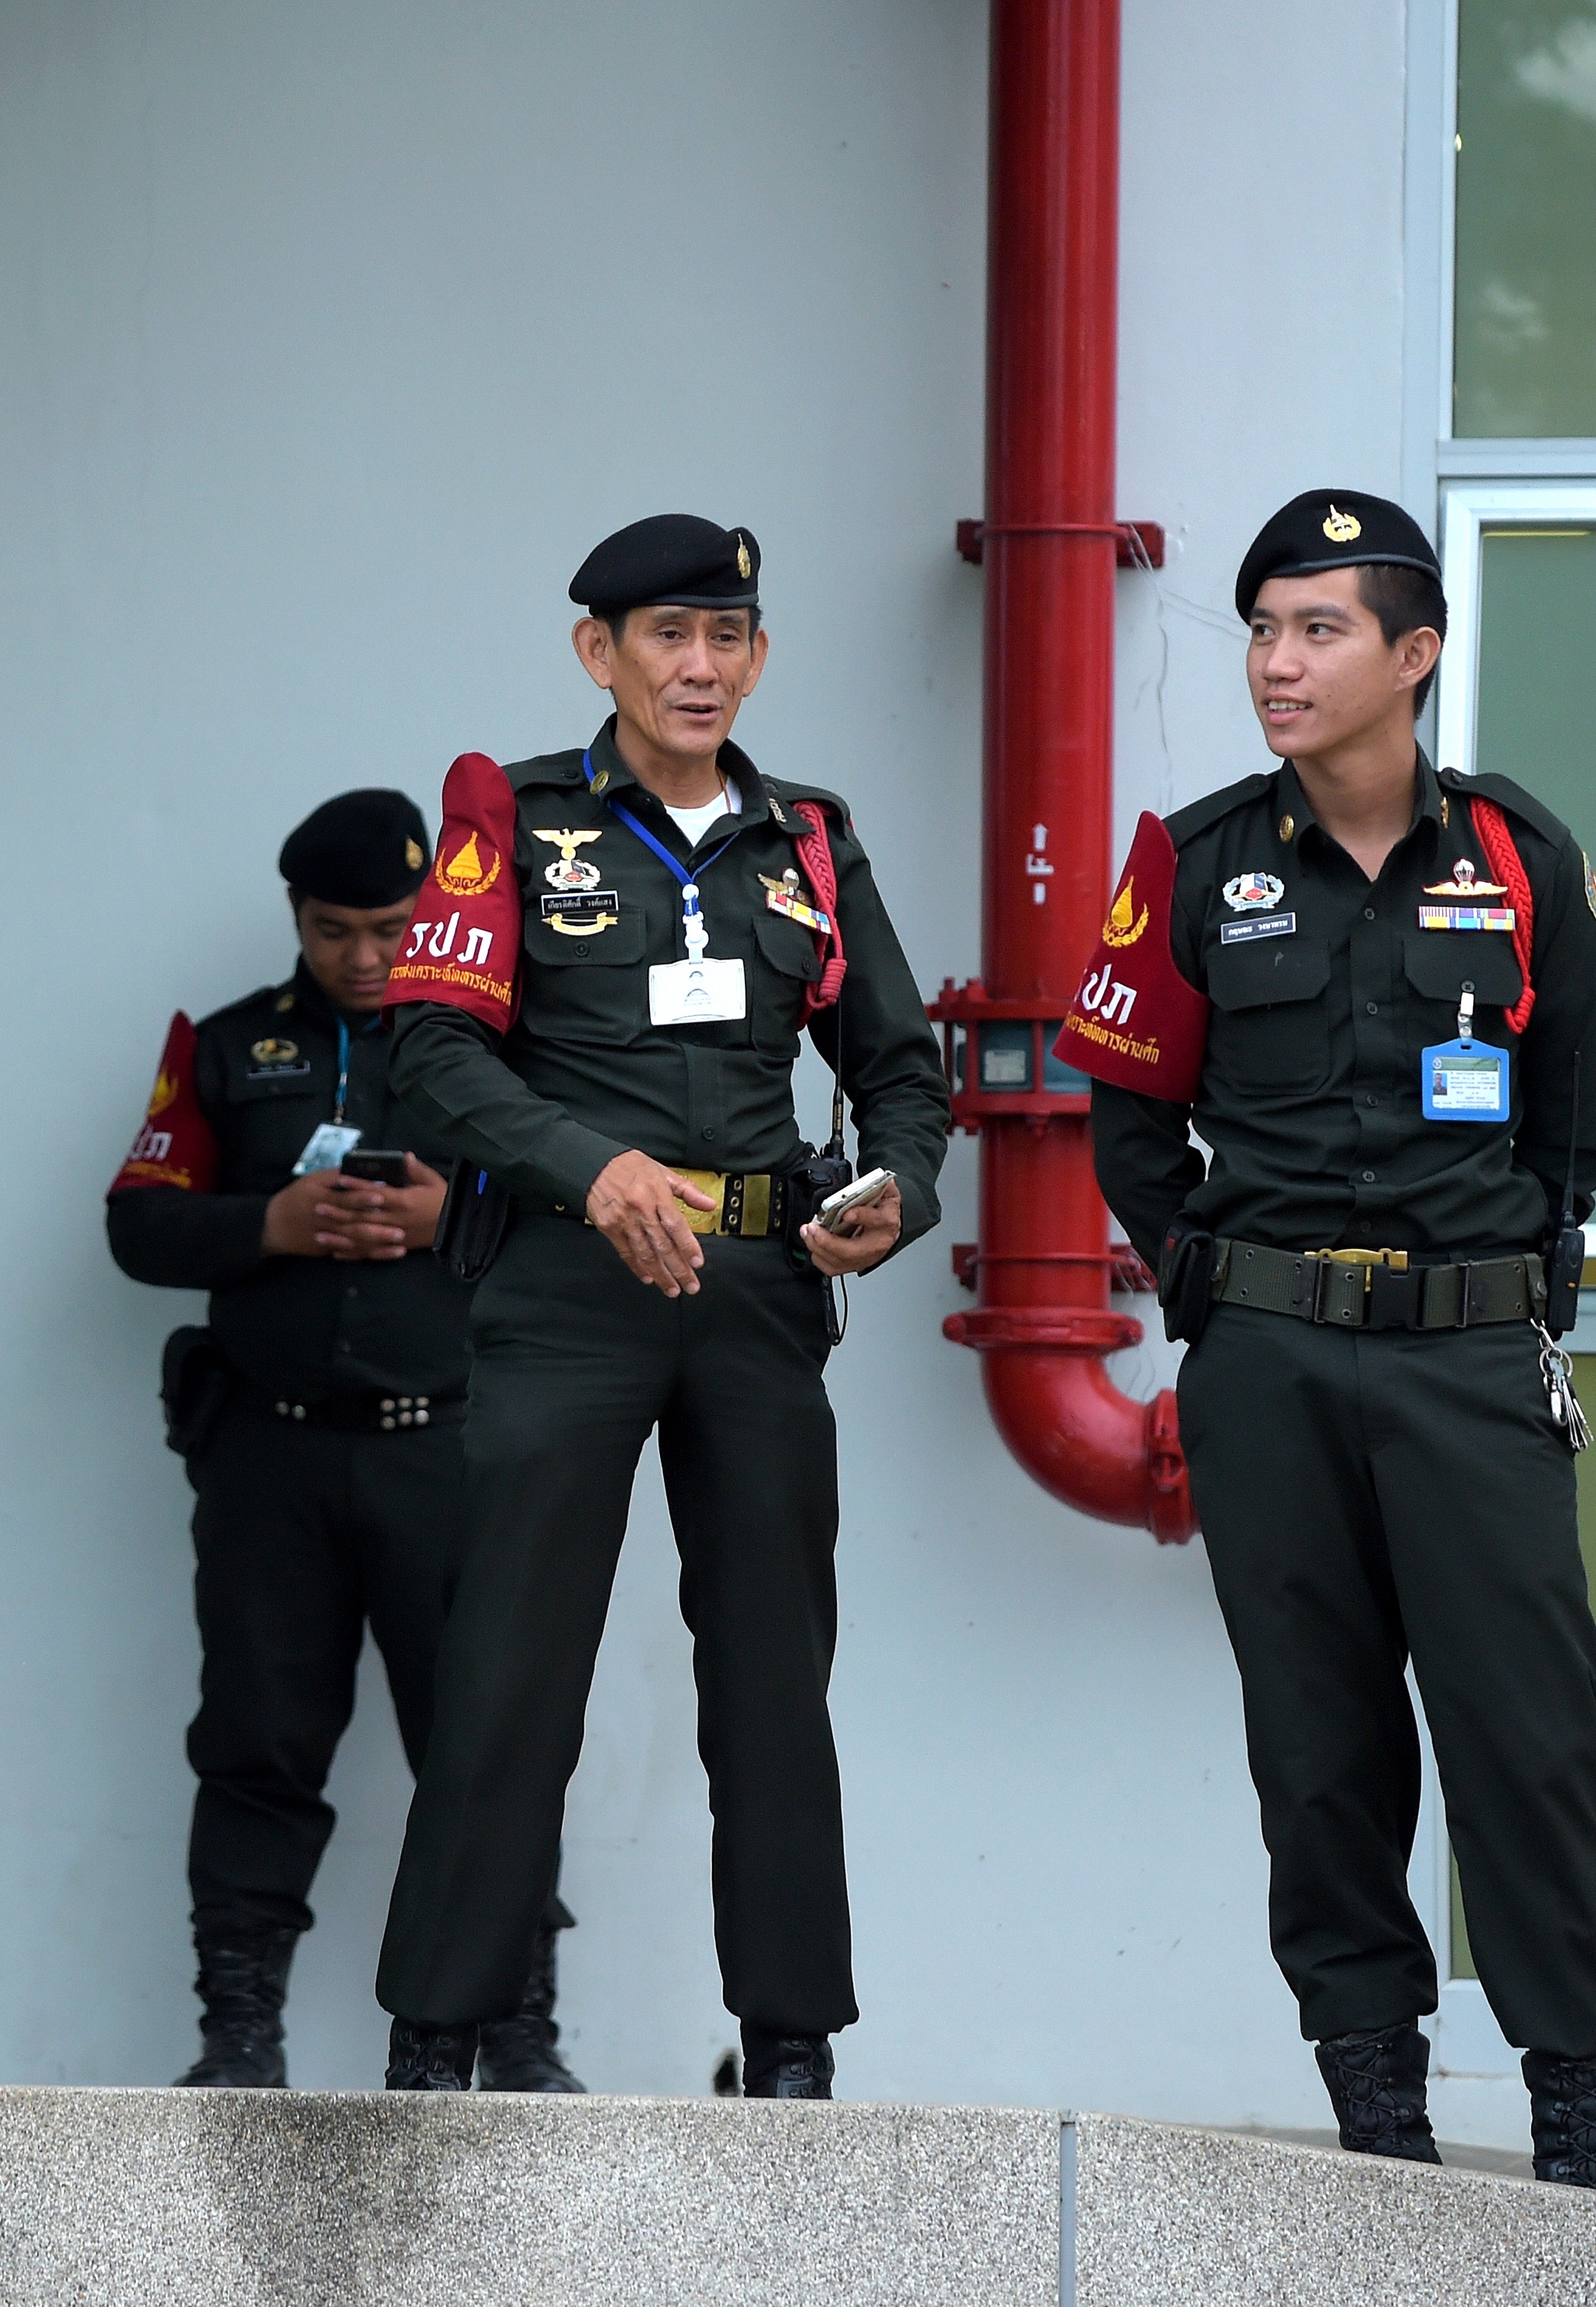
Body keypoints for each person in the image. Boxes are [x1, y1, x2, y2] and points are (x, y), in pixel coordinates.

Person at [1076, 490, 1596, 2189]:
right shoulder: (1191, 859)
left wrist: (1507, 1306)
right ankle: (1379, 2119)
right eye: (1260, 629)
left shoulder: (1525, 858)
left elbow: (1573, 1134)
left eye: (1318, 629)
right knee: (1320, 1754)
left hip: (1472, 1364)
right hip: (1272, 1371)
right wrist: (1225, 1299)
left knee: (1529, 1743)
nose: (1276, 663)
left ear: (1415, 654)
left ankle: (1579, 2135)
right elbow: (1126, 1122)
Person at [368, 515, 952, 2096]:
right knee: (509, 1671)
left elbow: (901, 1063)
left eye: (729, 638)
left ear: (758, 657)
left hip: (760, 1294)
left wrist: (900, 1185)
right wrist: (590, 1165)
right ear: (599, 655)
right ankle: (440, 2041)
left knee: (774, 1678)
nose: (701, 666)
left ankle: (791, 2048)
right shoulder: (521, 820)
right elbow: (431, 1056)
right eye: (667, 637)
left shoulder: (810, 837)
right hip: (571, 1285)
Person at [107, 789, 584, 2094]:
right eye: (334, 932)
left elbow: (600, 1222)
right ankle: (238, 2035)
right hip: (273, 1460)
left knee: (489, 1745)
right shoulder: (225, 1048)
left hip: (456, 1457)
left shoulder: (510, 1049)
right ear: (297, 922)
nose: (366, 958)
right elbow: (137, 1224)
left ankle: (523, 2039)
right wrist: (271, 1225)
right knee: (258, 1745)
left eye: (389, 927)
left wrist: (453, 1226)